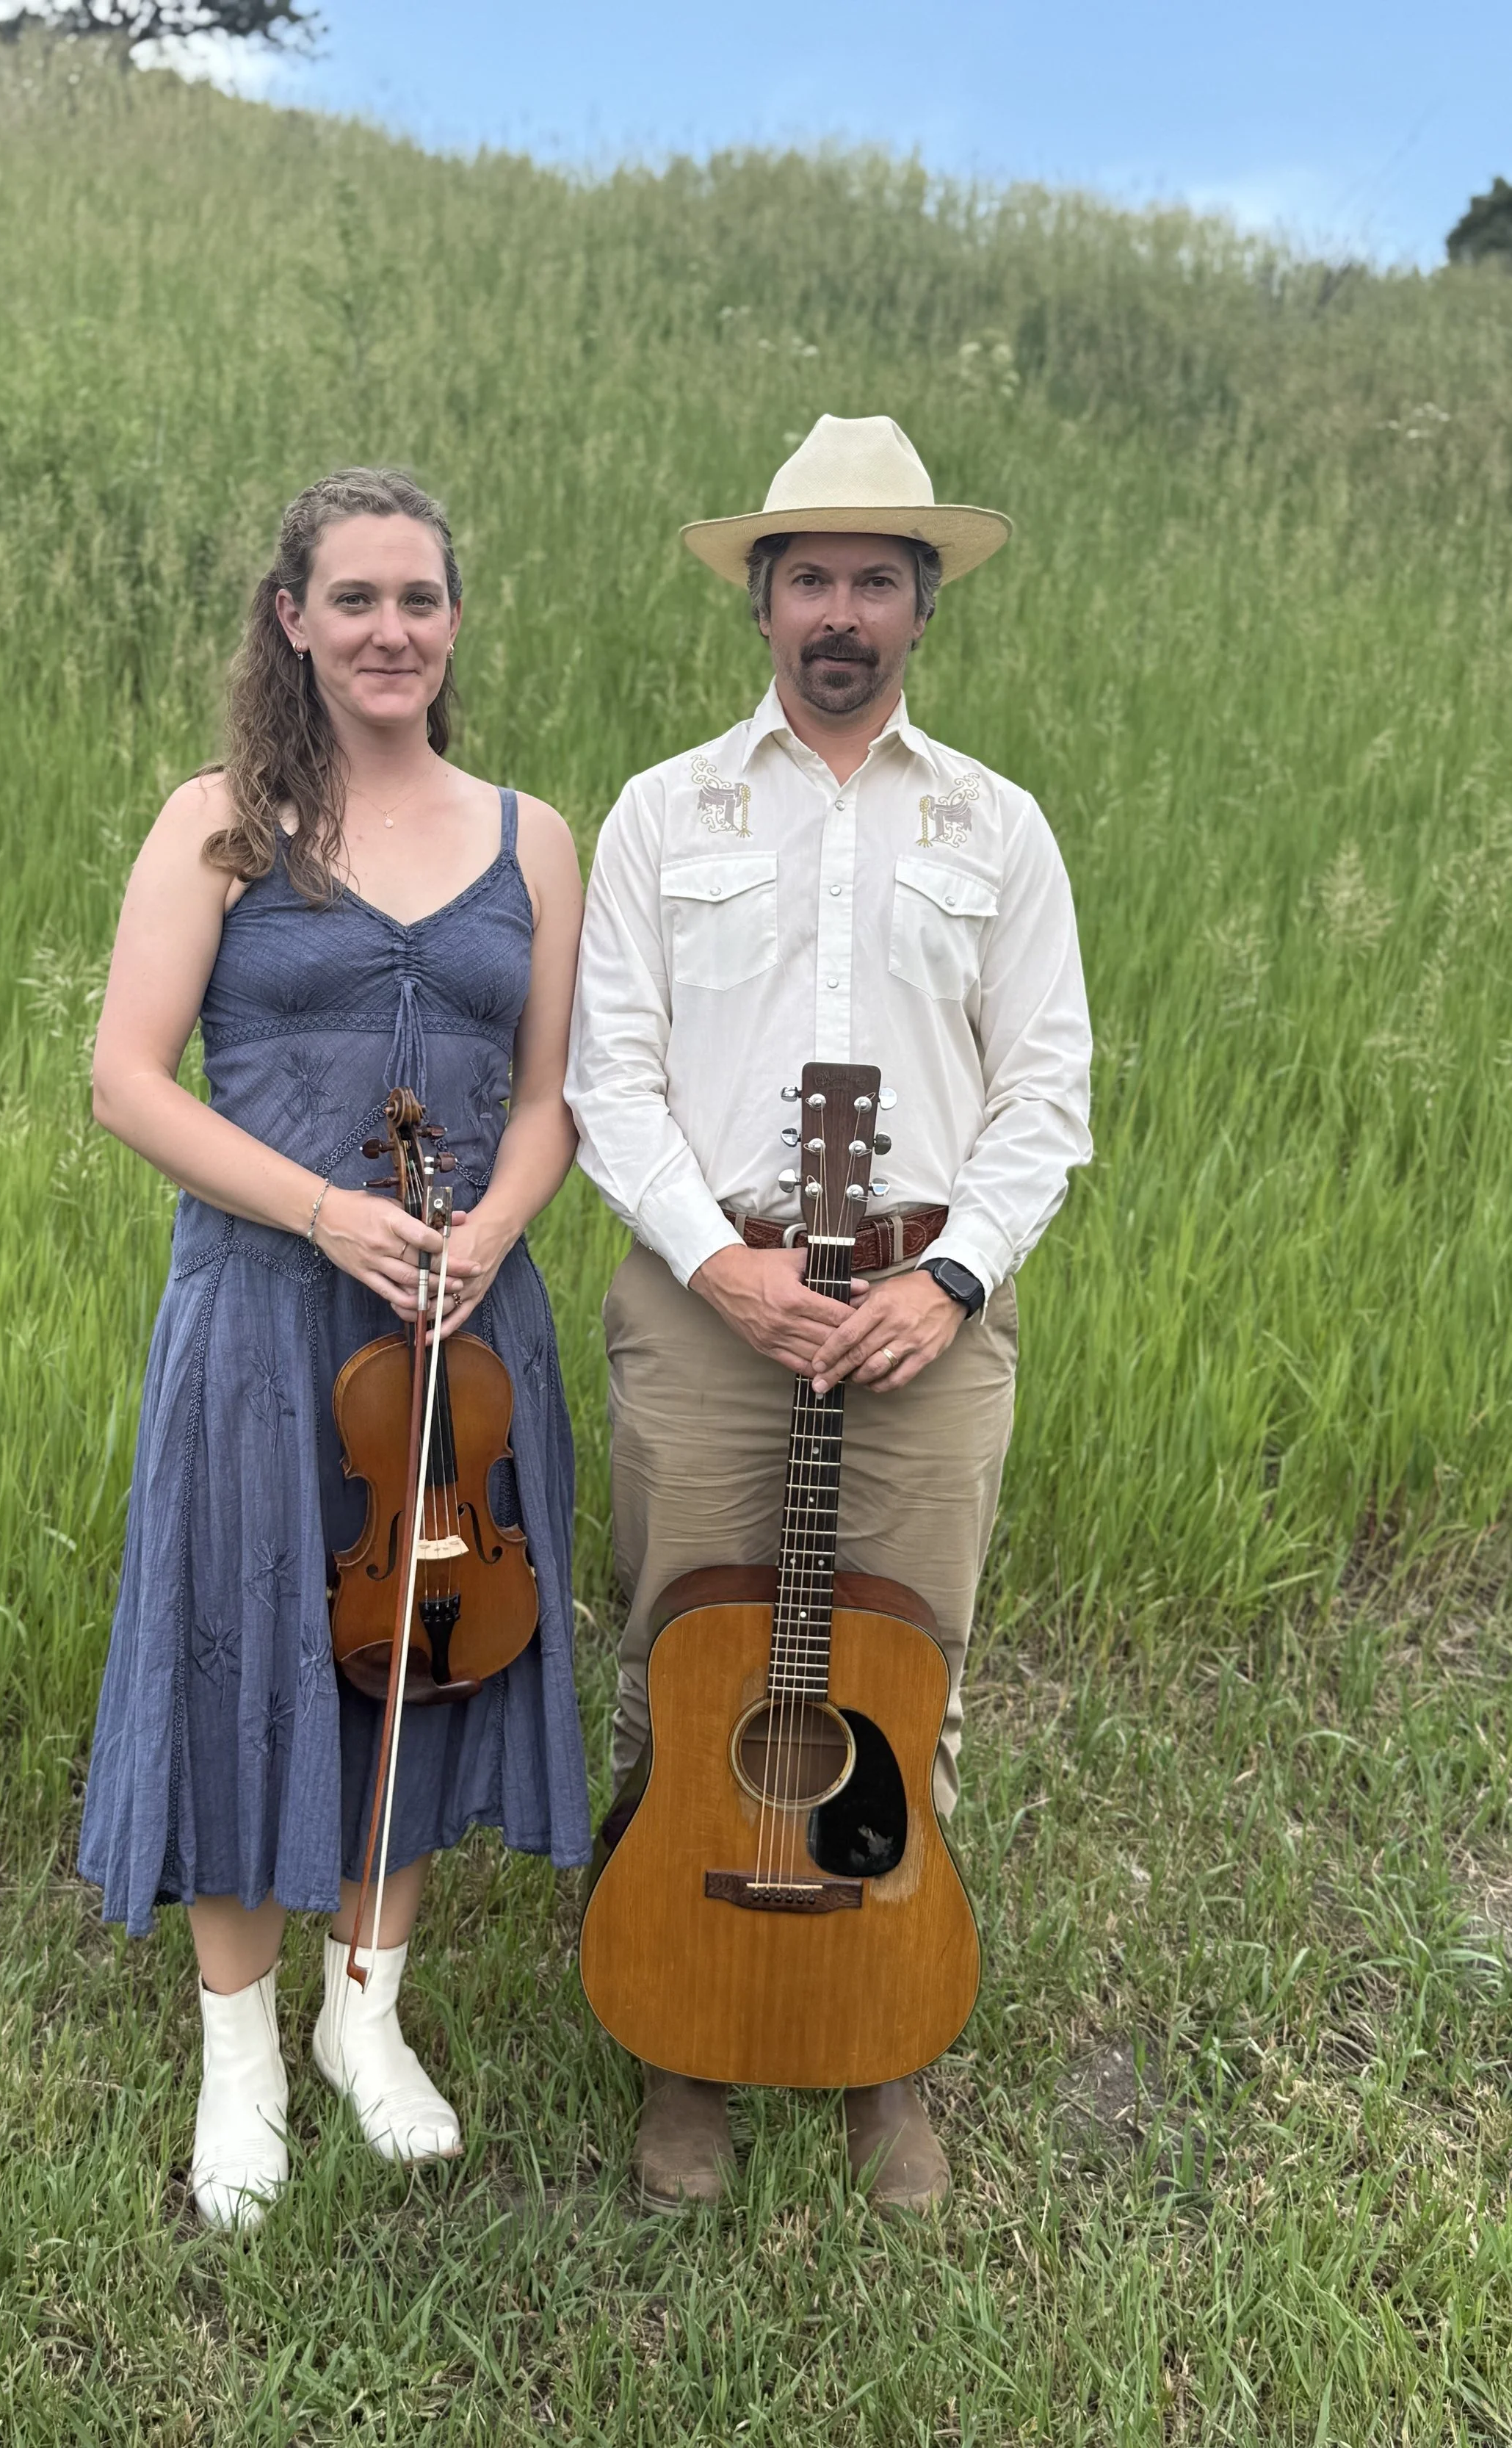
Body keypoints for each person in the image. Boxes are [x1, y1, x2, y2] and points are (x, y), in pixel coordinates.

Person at [565, 414, 1092, 2217]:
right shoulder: (662, 812)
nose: (840, 609)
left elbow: (1048, 1091)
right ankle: (686, 2036)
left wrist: (948, 1281)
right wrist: (722, 1265)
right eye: (810, 578)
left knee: (900, 1680)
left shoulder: (994, 828)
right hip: (709, 1307)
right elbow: (605, 1077)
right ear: (762, 604)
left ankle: (882, 2042)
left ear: (921, 607)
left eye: (876, 577)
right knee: (691, 1659)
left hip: (927, 1321)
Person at [80, 467, 591, 2230]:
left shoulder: (531, 835)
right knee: (243, 1661)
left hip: (459, 1318)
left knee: (420, 1656)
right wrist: (322, 1213)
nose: (390, 629)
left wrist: (493, 1232)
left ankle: (365, 2022)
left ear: (455, 625)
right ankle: (239, 2059)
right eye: (354, 598)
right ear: (290, 619)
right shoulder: (219, 821)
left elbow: (546, 1102)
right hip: (259, 1315)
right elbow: (125, 1080)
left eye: (419, 599)